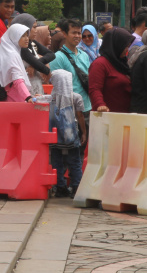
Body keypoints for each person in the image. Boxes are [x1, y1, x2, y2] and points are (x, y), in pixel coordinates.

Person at [48, 70, 86, 198]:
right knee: (75, 162)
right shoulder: (76, 97)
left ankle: (60, 187)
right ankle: (76, 186)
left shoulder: (50, 98)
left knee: (56, 162)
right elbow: (80, 116)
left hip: (54, 137)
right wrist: (84, 133)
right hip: (70, 136)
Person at [48, 19, 92, 113]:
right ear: (64, 34)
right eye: (74, 33)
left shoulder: (84, 55)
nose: (77, 36)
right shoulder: (58, 57)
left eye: (79, 33)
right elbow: (56, 85)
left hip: (87, 106)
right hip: (69, 109)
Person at [88, 28, 134, 113]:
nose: (127, 49)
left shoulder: (122, 62)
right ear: (117, 44)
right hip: (108, 116)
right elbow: (95, 88)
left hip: (125, 115)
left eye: (128, 46)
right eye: (125, 46)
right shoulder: (100, 64)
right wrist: (100, 104)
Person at [0, 24, 34, 102]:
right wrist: (28, 97)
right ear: (14, 37)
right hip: (13, 99)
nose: (27, 39)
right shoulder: (12, 54)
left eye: (27, 35)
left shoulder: (8, 51)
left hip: (9, 96)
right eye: (22, 36)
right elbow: (17, 79)